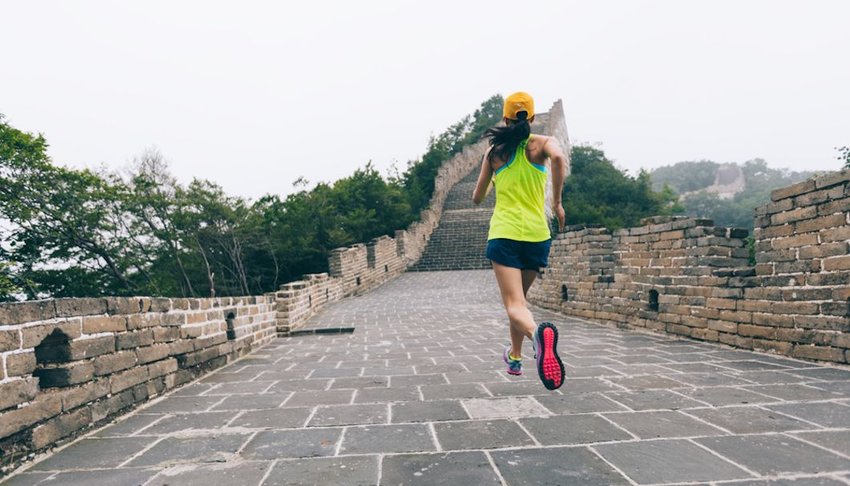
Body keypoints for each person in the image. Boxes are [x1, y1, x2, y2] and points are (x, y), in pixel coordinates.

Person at [472, 91, 567, 390]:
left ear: (505, 118)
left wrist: (495, 178)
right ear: (533, 117)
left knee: (514, 305)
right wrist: (558, 203)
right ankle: (515, 357)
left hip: (505, 234)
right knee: (521, 303)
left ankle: (538, 336)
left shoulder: (494, 153)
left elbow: (477, 197)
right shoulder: (543, 143)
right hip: (537, 236)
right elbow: (560, 158)